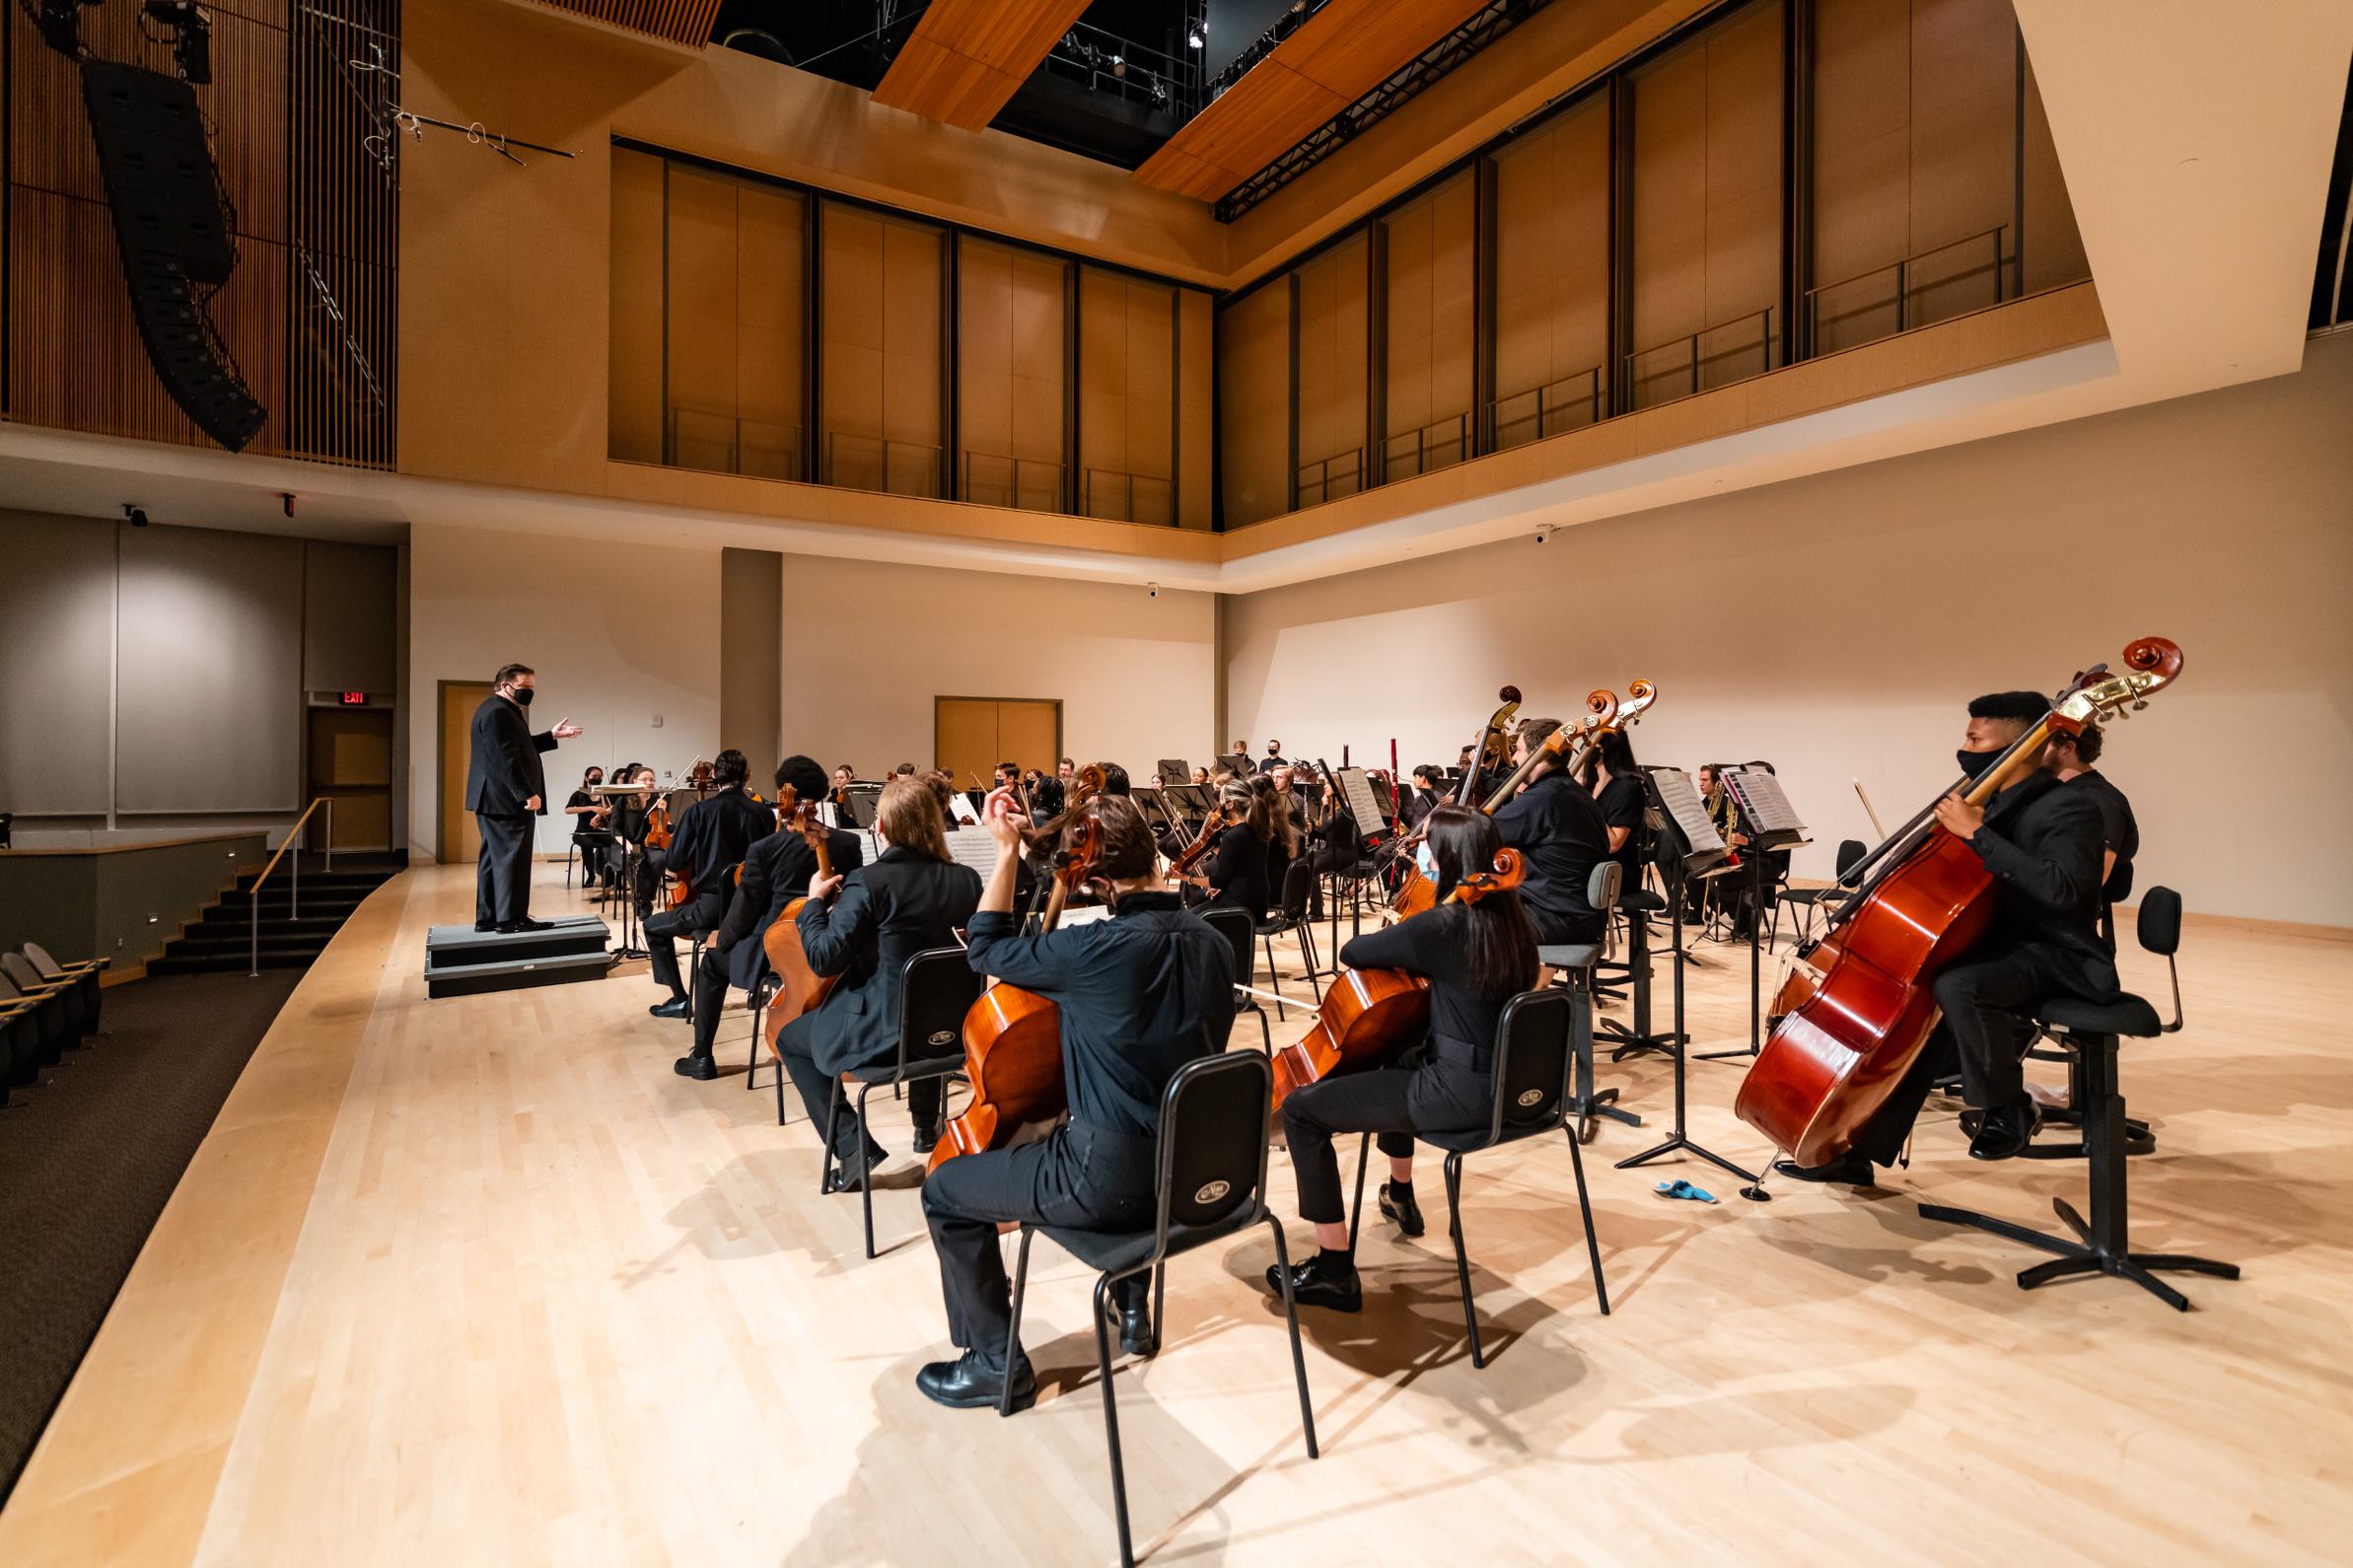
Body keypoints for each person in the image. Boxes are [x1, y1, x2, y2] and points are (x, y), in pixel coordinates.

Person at [916, 791, 1234, 1408]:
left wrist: (1007, 853)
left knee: (946, 1191)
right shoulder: (1214, 944)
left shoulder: (1094, 952)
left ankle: (992, 1362)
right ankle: (1134, 1304)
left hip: (1107, 1185)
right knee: (1134, 1119)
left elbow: (983, 950)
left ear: (1095, 877)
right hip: (1196, 1173)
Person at [1775, 690, 2116, 1182]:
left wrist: (1978, 834)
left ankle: (2007, 1106)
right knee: (1917, 1021)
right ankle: (1855, 1152)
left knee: (1958, 986)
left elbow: (2063, 891)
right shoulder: (1993, 801)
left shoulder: (2072, 808)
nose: (1966, 746)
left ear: (2021, 744)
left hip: (2052, 951)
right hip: (1990, 943)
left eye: (1976, 738)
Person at [1266, 806, 1539, 1310]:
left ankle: (1332, 1270)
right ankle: (1400, 1193)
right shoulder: (1516, 922)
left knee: (1304, 1111)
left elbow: (1354, 951)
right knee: (1398, 1053)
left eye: (1426, 844)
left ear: (1445, 857)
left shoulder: (1442, 925)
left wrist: (1414, 919)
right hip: (1511, 1092)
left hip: (1455, 1097)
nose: (1418, 852)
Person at [776, 778, 982, 1179]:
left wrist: (815, 904)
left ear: (882, 827)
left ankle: (853, 1149)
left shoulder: (869, 881)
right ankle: (925, 1124)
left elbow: (823, 958)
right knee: (929, 994)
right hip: (952, 1035)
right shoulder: (968, 880)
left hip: (884, 1039)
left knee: (790, 1040)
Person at [671, 755, 866, 1080]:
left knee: (711, 964)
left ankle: (703, 1056)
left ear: (783, 793)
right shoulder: (848, 842)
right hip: (832, 948)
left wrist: (724, 937)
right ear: (820, 793)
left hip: (776, 954)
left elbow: (745, 908)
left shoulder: (765, 849)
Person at [644, 748, 773, 1019]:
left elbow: (675, 861)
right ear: (747, 777)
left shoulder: (699, 811)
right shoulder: (762, 813)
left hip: (712, 909)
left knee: (653, 927)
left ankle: (680, 999)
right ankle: (754, 989)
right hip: (753, 910)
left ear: (714, 775)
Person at [463, 663, 583, 932]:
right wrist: (526, 793)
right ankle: (510, 920)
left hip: (494, 799)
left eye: (532, 688)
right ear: (504, 685)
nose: (529, 692)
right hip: (505, 801)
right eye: (524, 688)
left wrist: (551, 736)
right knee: (511, 860)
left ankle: (490, 918)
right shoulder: (498, 713)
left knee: (494, 860)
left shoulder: (499, 710)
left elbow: (518, 747)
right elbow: (504, 759)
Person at [1489, 717, 1609, 947]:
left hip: (1555, 919)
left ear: (1539, 755)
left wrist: (1443, 827)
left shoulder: (1543, 799)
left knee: (1461, 923)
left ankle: (1498, 982)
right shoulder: (1573, 792)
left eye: (1519, 750)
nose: (1514, 757)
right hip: (1579, 916)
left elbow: (1481, 836)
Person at [1176, 780, 1271, 921]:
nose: (1218, 807)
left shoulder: (1232, 836)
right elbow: (1242, 871)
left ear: (1230, 803)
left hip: (1238, 908)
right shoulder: (1259, 830)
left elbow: (1218, 881)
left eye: (1221, 802)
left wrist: (1185, 878)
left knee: (1183, 921)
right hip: (1257, 905)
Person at [1582, 729, 1647, 896]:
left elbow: (1613, 844)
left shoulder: (1628, 787)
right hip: (1591, 862)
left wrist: (1586, 804)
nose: (1583, 749)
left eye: (1588, 743)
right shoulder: (1590, 784)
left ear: (1601, 748)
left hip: (1616, 870)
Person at [563, 765, 614, 892]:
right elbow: (568, 810)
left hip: (602, 830)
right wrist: (591, 808)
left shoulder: (605, 794)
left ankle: (607, 875)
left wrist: (601, 813)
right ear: (586, 778)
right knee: (587, 844)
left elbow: (613, 808)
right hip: (582, 831)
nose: (597, 779)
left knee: (612, 842)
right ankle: (591, 874)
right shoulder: (579, 794)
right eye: (594, 776)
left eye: (599, 777)